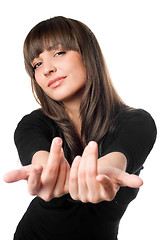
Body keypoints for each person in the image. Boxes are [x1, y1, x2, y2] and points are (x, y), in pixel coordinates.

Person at [4, 16, 157, 240]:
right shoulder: (32, 124)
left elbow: (117, 160)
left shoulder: (137, 122)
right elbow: (40, 160)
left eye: (58, 53)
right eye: (37, 64)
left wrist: (98, 174)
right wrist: (47, 173)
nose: (47, 69)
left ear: (88, 54)